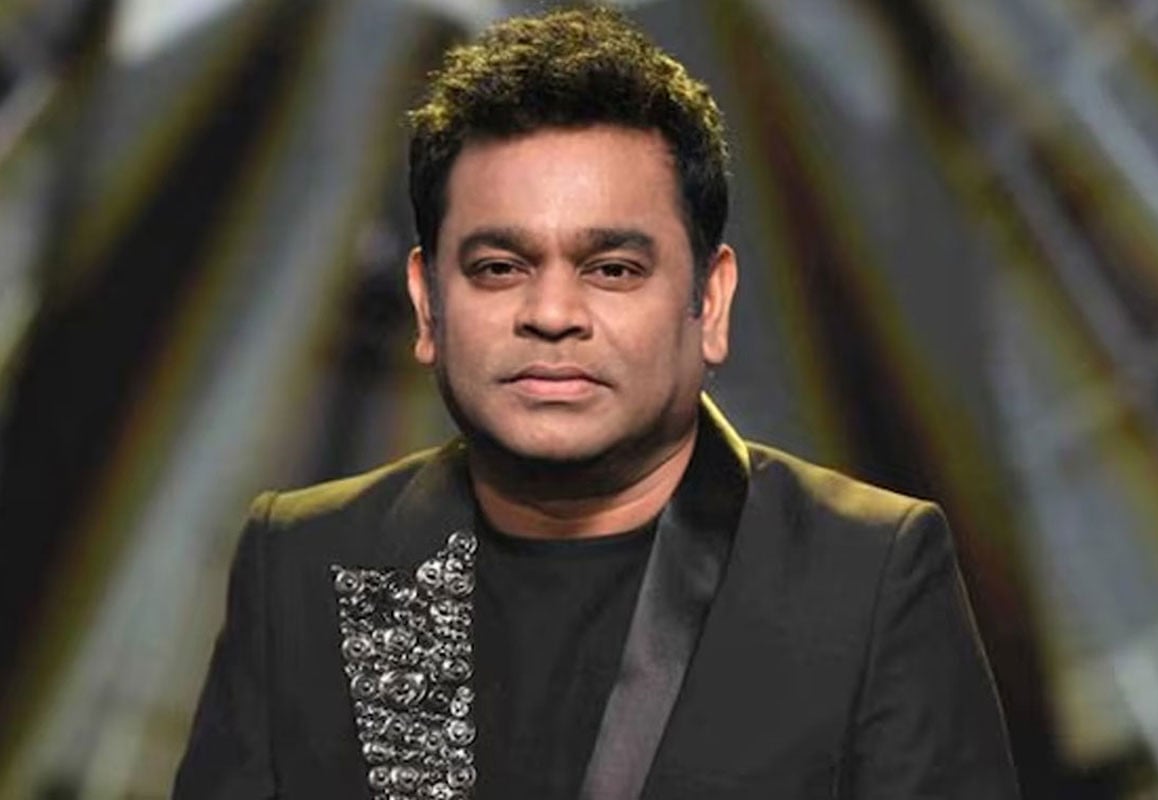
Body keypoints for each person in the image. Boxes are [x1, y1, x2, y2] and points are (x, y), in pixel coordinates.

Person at [174, 6, 1019, 799]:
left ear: (710, 300)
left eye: (612, 269)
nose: (552, 313)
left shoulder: (866, 578)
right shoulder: (301, 563)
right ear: (428, 305)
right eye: (498, 268)